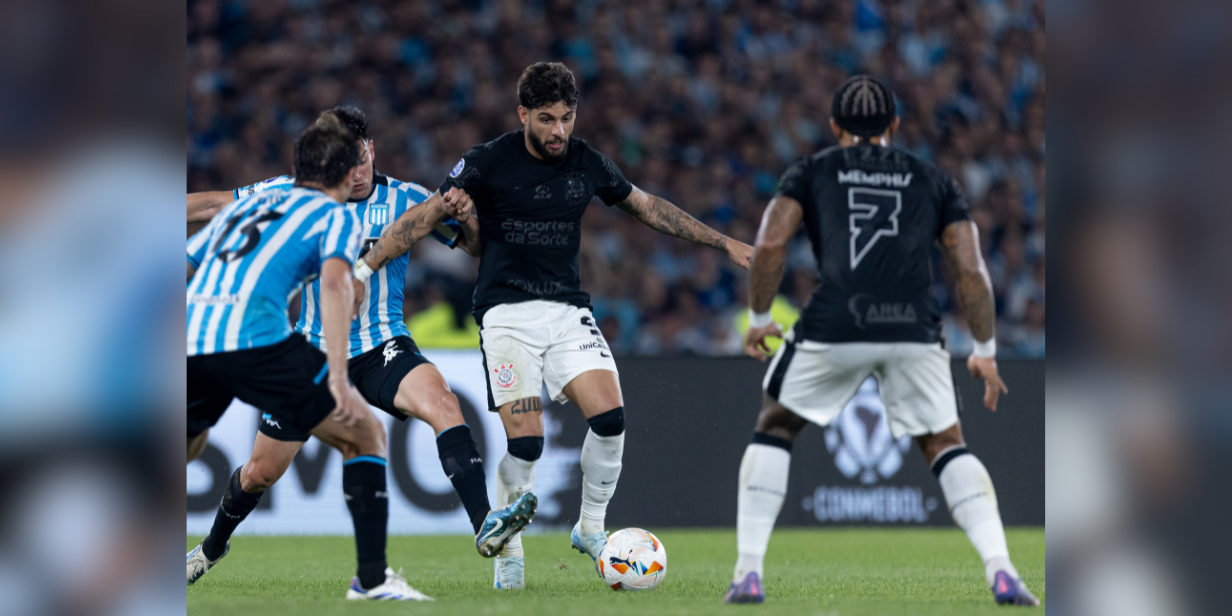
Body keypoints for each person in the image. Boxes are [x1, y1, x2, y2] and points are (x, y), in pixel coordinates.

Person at [360, 61, 754, 590]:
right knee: (527, 444)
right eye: (546, 119)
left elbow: (648, 207)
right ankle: (510, 551)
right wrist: (365, 267)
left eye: (566, 118)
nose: (558, 131)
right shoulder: (486, 162)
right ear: (523, 113)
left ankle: (591, 528)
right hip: (505, 315)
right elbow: (427, 217)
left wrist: (724, 242)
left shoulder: (586, 162)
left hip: (568, 311)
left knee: (611, 417)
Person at [186, 109, 536, 601]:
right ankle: (211, 549)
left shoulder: (408, 198)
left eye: (359, 155)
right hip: (307, 345)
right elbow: (215, 206)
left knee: (442, 403)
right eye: (342, 160)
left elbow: (473, 245)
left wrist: (468, 215)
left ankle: (485, 527)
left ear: (371, 150)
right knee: (261, 472)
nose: (354, 170)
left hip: (380, 345)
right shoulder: (298, 195)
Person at [726, 75, 1039, 607]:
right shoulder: (933, 179)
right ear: (894, 124)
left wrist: (758, 316)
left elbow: (771, 242)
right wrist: (985, 351)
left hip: (835, 322)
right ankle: (1003, 570)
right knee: (946, 443)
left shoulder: (812, 170)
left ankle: (748, 573)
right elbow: (971, 271)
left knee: (776, 423)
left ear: (833, 127)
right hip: (914, 327)